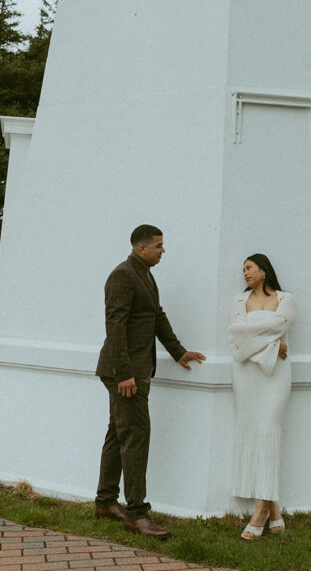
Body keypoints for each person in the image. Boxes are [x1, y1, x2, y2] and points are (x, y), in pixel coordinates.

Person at [94, 224, 205, 538]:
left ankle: (104, 502)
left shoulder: (144, 273)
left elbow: (156, 316)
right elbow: (114, 326)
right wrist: (124, 373)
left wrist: (179, 352)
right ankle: (136, 514)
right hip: (125, 373)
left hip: (134, 370)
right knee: (136, 435)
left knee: (119, 433)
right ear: (141, 248)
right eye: (158, 245)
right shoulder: (122, 276)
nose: (163, 250)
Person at [228, 253, 296, 540]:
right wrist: (272, 348)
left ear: (264, 270)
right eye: (243, 269)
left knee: (269, 432)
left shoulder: (286, 299)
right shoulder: (238, 301)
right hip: (246, 376)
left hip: (277, 376)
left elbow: (281, 326)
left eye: (249, 268)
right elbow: (236, 340)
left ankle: (260, 511)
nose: (245, 273)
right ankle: (274, 508)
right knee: (253, 433)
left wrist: (258, 338)